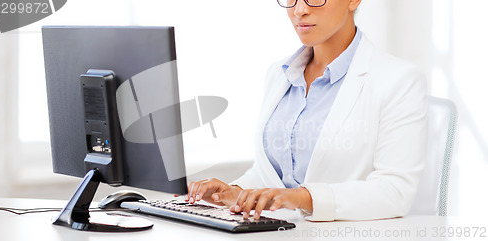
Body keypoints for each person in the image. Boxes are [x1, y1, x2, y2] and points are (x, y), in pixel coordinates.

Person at [181, 0, 428, 221]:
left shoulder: (399, 80)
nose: (300, 9)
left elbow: (394, 192)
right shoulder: (280, 73)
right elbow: (273, 176)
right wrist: (235, 192)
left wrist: (301, 198)